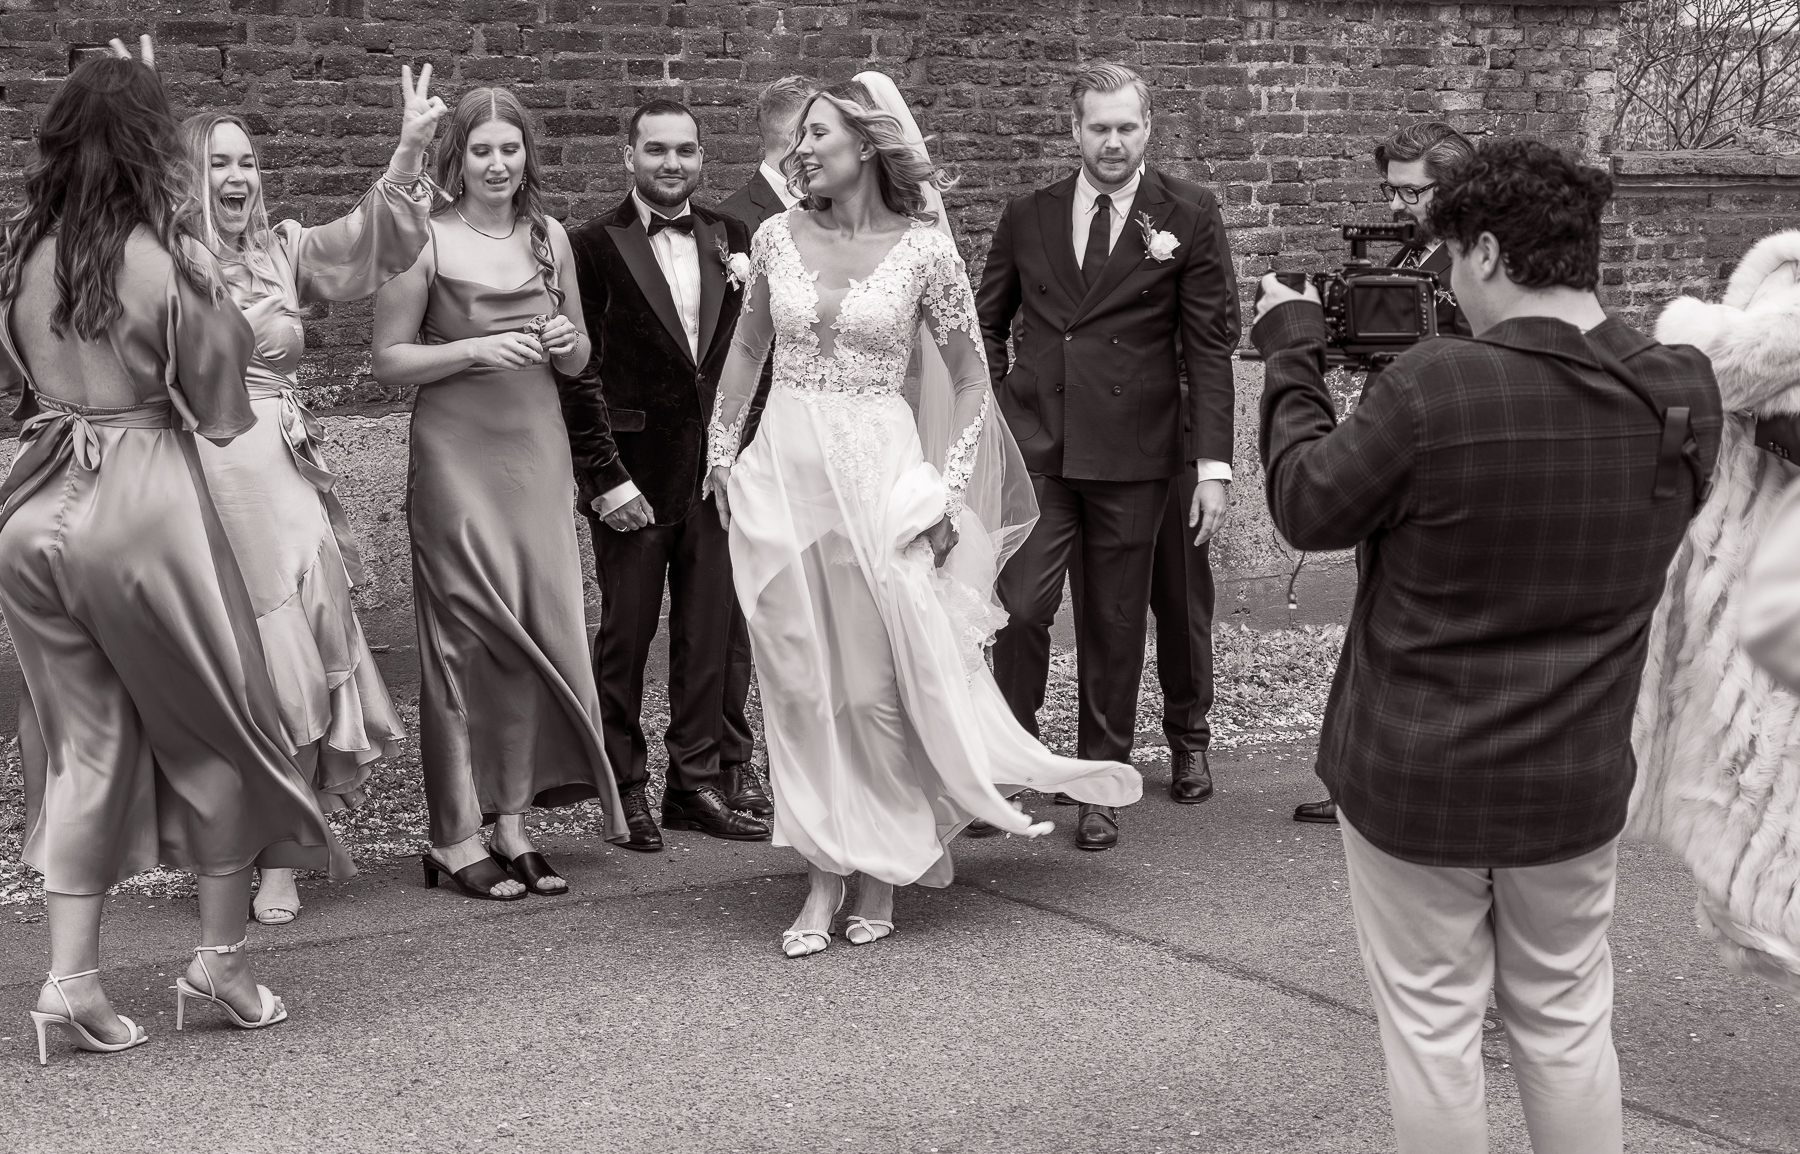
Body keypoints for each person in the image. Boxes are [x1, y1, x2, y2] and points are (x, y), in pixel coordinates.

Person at [1254, 139, 1721, 1152]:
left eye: (1454, 257)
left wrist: (1293, 351)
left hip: (1417, 770)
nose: (1450, 285)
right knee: (1567, 1018)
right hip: (1575, 773)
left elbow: (1306, 503)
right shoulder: (1683, 389)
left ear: (1492, 253)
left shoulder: (1436, 386)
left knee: (1432, 1028)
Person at [704, 75, 1141, 957]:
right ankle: (823, 870)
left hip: (879, 476)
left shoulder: (924, 252)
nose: (802, 151)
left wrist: (946, 488)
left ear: (865, 145)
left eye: (818, 135)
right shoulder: (775, 238)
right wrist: (720, 451)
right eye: (800, 138)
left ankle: (880, 868)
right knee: (801, 688)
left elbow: (973, 375)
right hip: (785, 480)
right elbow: (749, 348)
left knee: (872, 689)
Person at [1, 41, 338, 1061]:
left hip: (32, 505)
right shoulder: (168, 260)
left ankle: (71, 984)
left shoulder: (21, 251)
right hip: (142, 504)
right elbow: (225, 411)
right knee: (226, 730)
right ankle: (220, 966)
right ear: (152, 146)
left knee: (86, 742)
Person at [179, 65, 445, 925]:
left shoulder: (283, 249)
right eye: (218, 163)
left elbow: (367, 240)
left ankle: (286, 855)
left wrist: (408, 148)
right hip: (195, 484)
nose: (238, 177)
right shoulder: (160, 261)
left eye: (247, 162)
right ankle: (228, 842)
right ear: (185, 176)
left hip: (285, 482)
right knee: (226, 673)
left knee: (302, 664)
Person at [373, 86, 625, 901]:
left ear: (526, 155)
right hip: (457, 457)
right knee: (463, 640)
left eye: (508, 148)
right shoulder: (424, 237)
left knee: (533, 631)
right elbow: (388, 359)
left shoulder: (550, 237)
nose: (496, 164)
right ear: (458, 157)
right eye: (480, 149)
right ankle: (452, 834)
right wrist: (474, 350)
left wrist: (566, 339)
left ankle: (512, 824)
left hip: (537, 456)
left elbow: (578, 360)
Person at [978, 64, 1237, 851]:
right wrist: (999, 412)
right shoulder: (1028, 212)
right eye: (1099, 127)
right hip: (1041, 446)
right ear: (1075, 130)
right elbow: (985, 322)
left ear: (1148, 128)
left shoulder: (1189, 211)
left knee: (1114, 620)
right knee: (1020, 609)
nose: (1113, 142)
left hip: (1135, 450)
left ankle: (1100, 779)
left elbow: (1209, 346)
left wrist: (1213, 468)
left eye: (1127, 127)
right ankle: (1011, 765)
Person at [562, 99, 769, 850]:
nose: (671, 163)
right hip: (634, 478)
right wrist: (603, 478)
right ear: (629, 156)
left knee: (708, 637)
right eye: (656, 149)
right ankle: (623, 787)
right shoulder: (590, 245)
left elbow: (752, 354)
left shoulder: (734, 236)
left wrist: (743, 456)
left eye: (685, 149)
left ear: (703, 156)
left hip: (717, 478)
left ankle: (694, 784)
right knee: (625, 637)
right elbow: (578, 373)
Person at [1631, 228, 1800, 994]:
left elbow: (1719, 365)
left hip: (1769, 571)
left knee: (1762, 764)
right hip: (1754, 565)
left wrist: (1688, 325)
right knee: (1749, 762)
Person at [1293, 120, 1476, 827]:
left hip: (1447, 468)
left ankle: (1411, 784)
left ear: (1454, 187)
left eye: (1411, 192)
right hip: (1392, 457)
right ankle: (1363, 777)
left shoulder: (1482, 264)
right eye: (1392, 190)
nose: (1397, 204)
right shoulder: (1410, 252)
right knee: (1380, 620)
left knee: (1422, 634)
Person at [711, 73, 817, 817]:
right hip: (758, 443)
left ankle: (818, 759)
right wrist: (724, 451)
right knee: (742, 611)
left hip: (831, 439)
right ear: (789, 141)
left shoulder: (842, 217)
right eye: (816, 133)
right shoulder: (731, 224)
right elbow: (731, 349)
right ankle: (732, 762)